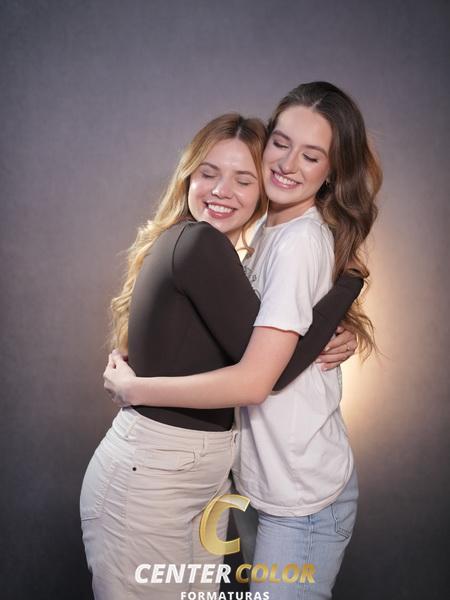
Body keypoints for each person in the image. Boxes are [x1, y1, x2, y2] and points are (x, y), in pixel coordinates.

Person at [105, 82, 382, 599]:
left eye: (311, 155)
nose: (288, 163)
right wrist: (337, 306)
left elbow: (260, 378)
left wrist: (137, 388)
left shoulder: (297, 242)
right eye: (281, 142)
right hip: (258, 484)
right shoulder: (259, 238)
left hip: (298, 495)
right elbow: (250, 343)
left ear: (331, 171)